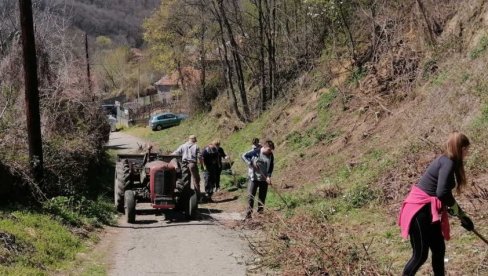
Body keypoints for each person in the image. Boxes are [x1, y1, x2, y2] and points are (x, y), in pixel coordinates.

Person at [398, 132, 474, 276]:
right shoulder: (448, 162)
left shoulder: (447, 161)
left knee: (439, 250)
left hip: (429, 211)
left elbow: (445, 194)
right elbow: (442, 193)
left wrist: (462, 215)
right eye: (467, 150)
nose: (467, 153)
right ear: (462, 149)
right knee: (420, 256)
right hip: (418, 210)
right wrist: (460, 213)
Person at [241, 140, 275, 219]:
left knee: (262, 197)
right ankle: (248, 215)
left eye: (271, 150)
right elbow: (243, 156)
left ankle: (260, 215)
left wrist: (269, 177)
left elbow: (271, 167)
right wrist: (251, 163)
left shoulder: (270, 155)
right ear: (264, 147)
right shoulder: (256, 152)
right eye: (269, 149)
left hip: (264, 179)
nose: (270, 151)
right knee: (251, 196)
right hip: (254, 178)